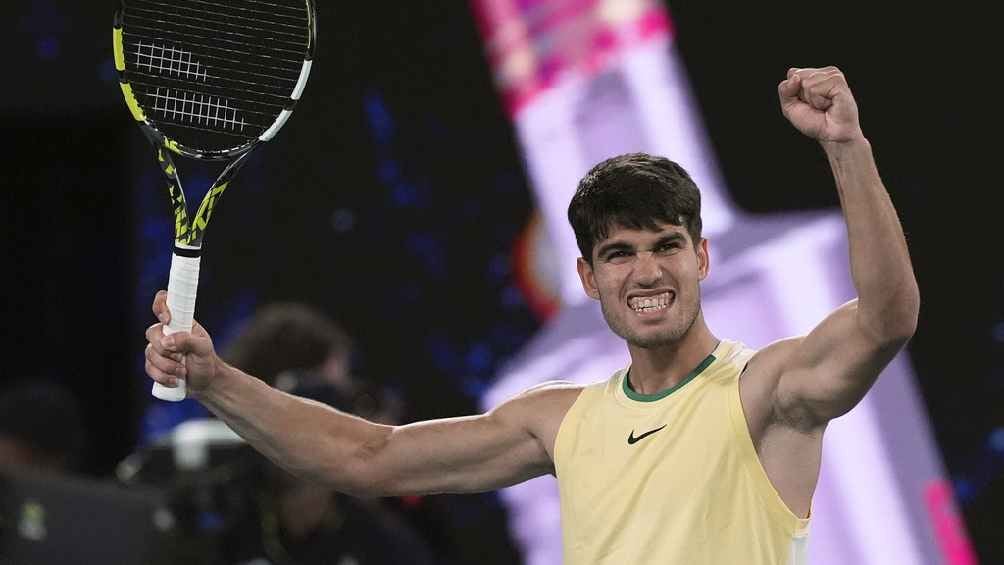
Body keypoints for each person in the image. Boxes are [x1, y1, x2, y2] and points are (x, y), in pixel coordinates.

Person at [144, 67, 919, 564]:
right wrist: (214, 380)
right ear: (586, 276)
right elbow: (363, 456)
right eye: (619, 253)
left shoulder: (767, 391)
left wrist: (846, 147)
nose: (646, 270)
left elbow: (886, 318)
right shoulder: (558, 420)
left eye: (666, 245)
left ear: (701, 257)